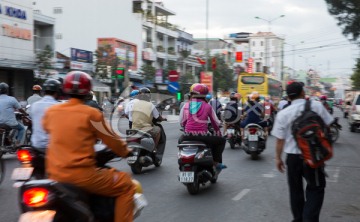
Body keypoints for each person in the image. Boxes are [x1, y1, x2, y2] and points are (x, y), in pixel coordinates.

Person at [43, 71, 137, 222]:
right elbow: (112, 141)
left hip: (54, 175)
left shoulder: (51, 112)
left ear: (65, 90)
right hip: (83, 176)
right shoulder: (92, 114)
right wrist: (126, 151)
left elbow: (47, 129)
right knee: (126, 184)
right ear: (88, 92)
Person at [271, 82, 334, 222]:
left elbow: (280, 140)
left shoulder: (283, 113)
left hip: (292, 158)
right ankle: (309, 219)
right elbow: (328, 124)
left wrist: (278, 158)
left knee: (295, 190)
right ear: (303, 93)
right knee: (316, 188)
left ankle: (299, 219)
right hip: (313, 155)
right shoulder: (316, 106)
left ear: (288, 97)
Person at [179, 83, 226, 170]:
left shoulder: (186, 105)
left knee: (180, 142)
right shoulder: (207, 106)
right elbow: (215, 123)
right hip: (202, 136)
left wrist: (186, 128)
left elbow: (182, 122)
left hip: (187, 136)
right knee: (221, 141)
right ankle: (216, 163)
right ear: (205, 94)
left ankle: (181, 164)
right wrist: (218, 132)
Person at [29, 79, 61, 150]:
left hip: (36, 144)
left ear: (43, 92)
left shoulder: (35, 105)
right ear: (57, 92)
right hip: (52, 146)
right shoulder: (59, 106)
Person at [0, 82, 27, 146]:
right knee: (21, 128)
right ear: (7, 90)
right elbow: (20, 109)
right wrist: (25, 113)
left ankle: (8, 138)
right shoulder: (11, 99)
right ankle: (17, 143)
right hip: (9, 122)